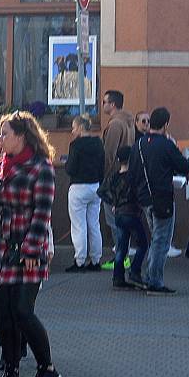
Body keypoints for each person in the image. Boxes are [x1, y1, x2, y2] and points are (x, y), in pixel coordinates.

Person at [0, 111, 61, 377]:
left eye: (4, 134)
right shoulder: (0, 165)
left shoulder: (41, 167)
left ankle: (46, 367)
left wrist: (31, 249)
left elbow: (42, 212)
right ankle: (11, 369)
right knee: (3, 312)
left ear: (22, 137)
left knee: (23, 310)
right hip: (1, 248)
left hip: (28, 250)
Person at [128, 107, 189, 295]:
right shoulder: (166, 145)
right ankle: (154, 281)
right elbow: (184, 166)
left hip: (144, 198)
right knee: (161, 241)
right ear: (165, 124)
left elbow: (133, 173)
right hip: (162, 198)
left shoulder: (139, 144)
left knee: (156, 238)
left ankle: (149, 277)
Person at [100, 146, 148, 289]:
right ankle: (135, 272)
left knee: (121, 247)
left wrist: (114, 202)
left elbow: (101, 191)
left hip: (119, 215)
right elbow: (140, 194)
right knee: (143, 244)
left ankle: (118, 278)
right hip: (132, 214)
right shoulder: (133, 177)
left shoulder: (114, 177)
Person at [65, 114, 104, 272]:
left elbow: (70, 168)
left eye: (74, 127)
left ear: (81, 128)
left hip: (79, 187)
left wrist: (66, 163)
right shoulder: (98, 142)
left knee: (79, 226)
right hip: (95, 187)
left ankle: (80, 261)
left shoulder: (76, 145)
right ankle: (95, 260)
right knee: (94, 224)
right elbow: (102, 164)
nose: (72, 131)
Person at [101, 90, 135, 266]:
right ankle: (124, 255)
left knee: (113, 219)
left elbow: (109, 153)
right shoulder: (129, 122)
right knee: (121, 217)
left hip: (114, 176)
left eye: (104, 102)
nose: (103, 105)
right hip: (126, 172)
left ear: (113, 104)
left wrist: (105, 177)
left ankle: (121, 257)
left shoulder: (115, 124)